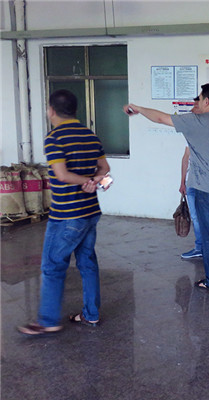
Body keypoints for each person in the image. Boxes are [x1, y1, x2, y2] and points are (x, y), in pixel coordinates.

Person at [125, 83, 209, 290]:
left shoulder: (195, 121)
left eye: (199, 99)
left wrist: (138, 108)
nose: (198, 102)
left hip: (205, 191)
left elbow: (160, 118)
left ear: (207, 101)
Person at [18, 89, 111, 336]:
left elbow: (61, 174)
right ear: (74, 110)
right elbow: (105, 167)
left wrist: (85, 181)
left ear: (51, 111)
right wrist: (93, 180)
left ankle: (48, 320)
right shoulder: (90, 135)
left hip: (67, 215)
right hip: (90, 211)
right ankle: (91, 314)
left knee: (52, 265)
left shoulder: (54, 138)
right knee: (87, 263)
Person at [179, 96, 209, 259]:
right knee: (196, 218)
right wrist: (182, 181)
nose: (192, 110)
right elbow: (186, 157)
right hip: (192, 182)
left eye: (196, 107)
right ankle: (200, 248)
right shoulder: (192, 131)